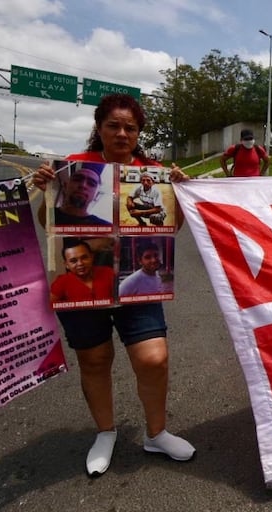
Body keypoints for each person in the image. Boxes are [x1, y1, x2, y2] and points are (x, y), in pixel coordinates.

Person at [31, 94, 194, 476]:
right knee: (94, 358)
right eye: (113, 126)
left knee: (153, 358)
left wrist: (180, 195)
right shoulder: (73, 167)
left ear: (139, 133)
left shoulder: (153, 171)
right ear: (99, 128)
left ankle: (157, 433)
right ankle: (105, 432)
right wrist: (46, 190)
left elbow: (171, 229)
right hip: (82, 283)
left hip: (137, 283)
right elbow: (50, 225)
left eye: (130, 128)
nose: (122, 134)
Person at [50, 239, 115, 303]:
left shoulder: (108, 273)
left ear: (92, 257)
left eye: (84, 258)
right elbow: (48, 307)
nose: (80, 263)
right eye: (73, 261)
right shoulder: (61, 282)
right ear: (67, 265)